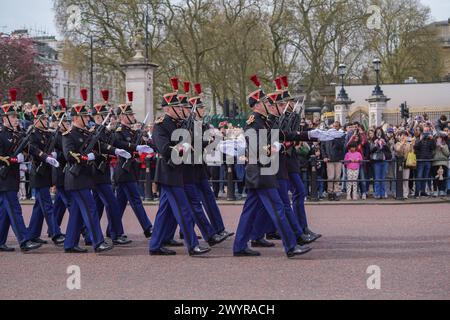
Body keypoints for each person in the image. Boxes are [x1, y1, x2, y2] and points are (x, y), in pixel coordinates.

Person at [233, 75, 312, 258]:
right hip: (262, 172)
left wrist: (308, 135)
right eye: (266, 102)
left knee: (249, 212)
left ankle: (239, 246)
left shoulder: (265, 121)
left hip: (261, 172)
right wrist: (271, 149)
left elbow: (282, 134)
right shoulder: (254, 122)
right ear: (257, 105)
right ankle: (291, 246)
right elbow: (255, 147)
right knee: (278, 209)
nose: (269, 104)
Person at [149, 88, 211, 256]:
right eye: (177, 107)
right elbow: (164, 149)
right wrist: (182, 146)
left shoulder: (181, 124)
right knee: (184, 210)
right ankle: (193, 245)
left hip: (182, 172)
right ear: (168, 109)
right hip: (169, 173)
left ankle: (155, 245)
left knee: (164, 212)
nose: (182, 109)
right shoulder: (160, 125)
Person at [62, 90, 114, 253]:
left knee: (77, 213)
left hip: (84, 177)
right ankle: (97, 242)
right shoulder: (69, 135)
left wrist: (115, 150)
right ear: (76, 118)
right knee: (91, 209)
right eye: (84, 117)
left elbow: (100, 146)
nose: (87, 119)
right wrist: (87, 157)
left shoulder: (86, 133)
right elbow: (69, 155)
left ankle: (70, 244)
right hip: (76, 178)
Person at [0, 91, 42, 252]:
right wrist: (13, 159)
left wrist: (44, 156)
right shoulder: (2, 135)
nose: (16, 119)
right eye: (12, 117)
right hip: (4, 178)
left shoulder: (17, 134)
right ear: (4, 119)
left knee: (4, 211)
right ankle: (24, 240)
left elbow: (29, 148)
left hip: (11, 177)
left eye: (16, 116)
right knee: (15, 209)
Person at [90, 91, 132, 245]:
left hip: (104, 171)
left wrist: (135, 147)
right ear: (98, 118)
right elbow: (100, 146)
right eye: (106, 116)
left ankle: (89, 232)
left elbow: (117, 144)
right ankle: (116, 233)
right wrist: (113, 149)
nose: (111, 119)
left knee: (98, 206)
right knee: (111, 203)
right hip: (97, 172)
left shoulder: (106, 131)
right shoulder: (93, 131)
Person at [113, 92, 153, 239]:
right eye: (129, 115)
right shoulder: (118, 130)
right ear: (123, 117)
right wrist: (135, 147)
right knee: (136, 200)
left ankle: (112, 230)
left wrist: (146, 142)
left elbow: (140, 144)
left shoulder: (132, 131)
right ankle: (148, 228)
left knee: (119, 205)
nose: (132, 117)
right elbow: (118, 143)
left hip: (131, 170)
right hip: (124, 171)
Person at [26, 94, 65, 246]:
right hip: (38, 173)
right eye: (42, 119)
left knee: (39, 207)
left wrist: (55, 153)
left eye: (45, 119)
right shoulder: (32, 134)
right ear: (36, 120)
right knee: (47, 204)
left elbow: (57, 146)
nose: (45, 121)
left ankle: (32, 234)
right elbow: (32, 149)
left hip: (46, 173)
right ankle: (55, 233)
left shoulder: (47, 133)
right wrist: (45, 156)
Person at [321, 121, 345, 201]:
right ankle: (330, 192)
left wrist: (336, 138)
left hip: (338, 159)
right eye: (333, 126)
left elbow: (341, 147)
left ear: (339, 127)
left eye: (336, 126)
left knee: (337, 177)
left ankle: (336, 192)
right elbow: (322, 147)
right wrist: (324, 156)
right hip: (329, 159)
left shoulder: (340, 136)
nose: (334, 128)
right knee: (330, 177)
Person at [414, 126, 436, 198]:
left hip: (428, 160)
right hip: (420, 160)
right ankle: (417, 192)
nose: (426, 132)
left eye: (427, 131)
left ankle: (423, 191)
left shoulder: (430, 139)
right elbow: (415, 147)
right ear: (422, 131)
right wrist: (420, 140)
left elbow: (433, 148)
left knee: (425, 177)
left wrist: (432, 139)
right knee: (419, 176)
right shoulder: (418, 138)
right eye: (425, 131)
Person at [370, 128, 391, 199]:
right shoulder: (373, 140)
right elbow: (371, 151)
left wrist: (384, 144)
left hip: (384, 160)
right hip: (376, 161)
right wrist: (376, 145)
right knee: (377, 178)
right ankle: (377, 193)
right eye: (377, 132)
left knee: (383, 178)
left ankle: (383, 193)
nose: (378, 133)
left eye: (380, 132)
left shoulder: (385, 140)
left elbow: (388, 150)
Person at [394, 131, 414, 200]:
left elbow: (411, 152)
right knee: (399, 179)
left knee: (406, 179)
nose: (403, 137)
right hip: (399, 163)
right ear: (399, 136)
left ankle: (405, 194)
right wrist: (402, 144)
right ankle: (399, 193)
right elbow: (398, 150)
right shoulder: (397, 143)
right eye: (402, 135)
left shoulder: (408, 144)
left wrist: (411, 144)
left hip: (406, 162)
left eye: (405, 135)